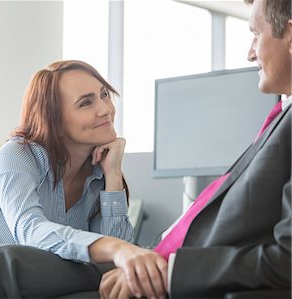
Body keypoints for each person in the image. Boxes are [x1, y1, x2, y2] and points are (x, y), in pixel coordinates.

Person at [99, 0, 291, 298]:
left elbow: (288, 259)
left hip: (187, 279)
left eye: (256, 34)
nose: (250, 53)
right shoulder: (282, 116)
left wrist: (170, 272)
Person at [0, 60, 168, 299]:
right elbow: (31, 232)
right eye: (86, 103)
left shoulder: (98, 171)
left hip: (46, 284)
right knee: (2, 259)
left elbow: (115, 255)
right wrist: (117, 251)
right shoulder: (16, 156)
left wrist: (113, 175)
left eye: (104, 95)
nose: (105, 109)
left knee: (128, 281)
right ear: (54, 121)